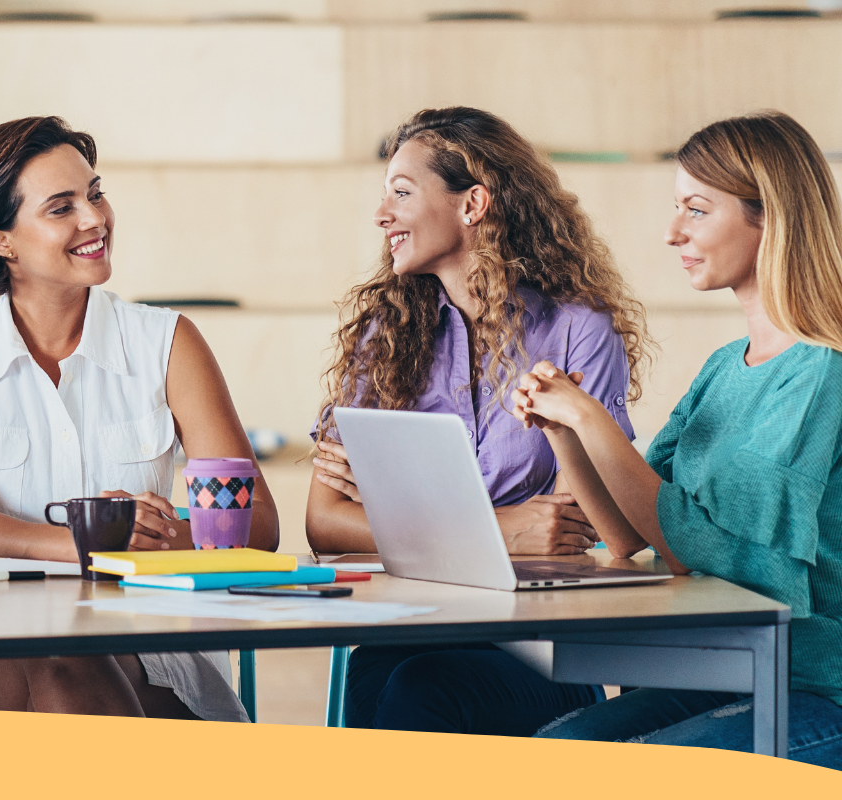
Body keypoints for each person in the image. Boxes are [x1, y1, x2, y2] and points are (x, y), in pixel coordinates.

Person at [0, 116, 277, 719]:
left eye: (95, 194)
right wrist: (86, 546)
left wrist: (159, 542)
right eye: (62, 207)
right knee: (44, 647)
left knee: (65, 658)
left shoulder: (168, 342)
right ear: (1, 240)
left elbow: (257, 521)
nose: (95, 219)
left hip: (154, 651)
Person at [307, 107, 651, 734]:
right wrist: (502, 527)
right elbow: (327, 523)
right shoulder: (386, 336)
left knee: (419, 686)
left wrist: (399, 516)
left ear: (473, 204)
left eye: (402, 193)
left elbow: (568, 530)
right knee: (379, 673)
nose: (382, 214)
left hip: (538, 652)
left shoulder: (579, 330)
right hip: (412, 627)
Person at [523, 112, 842, 767]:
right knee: (558, 751)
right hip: (727, 671)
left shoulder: (822, 371)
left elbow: (730, 564)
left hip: (815, 686)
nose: (673, 233)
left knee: (624, 772)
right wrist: (565, 433)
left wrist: (594, 420)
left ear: (769, 217)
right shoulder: (727, 365)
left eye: (696, 210)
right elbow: (631, 534)